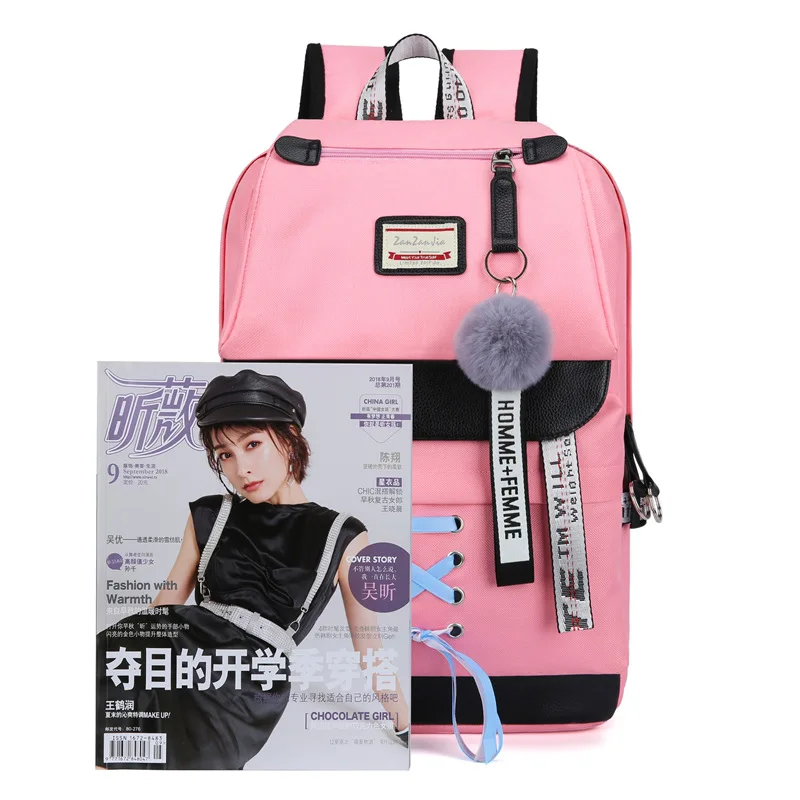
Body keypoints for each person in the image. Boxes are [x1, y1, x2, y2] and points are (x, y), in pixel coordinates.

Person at [97, 369, 409, 769]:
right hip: (168, 650)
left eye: (253, 444)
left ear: (290, 438)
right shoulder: (211, 514)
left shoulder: (343, 535)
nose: (240, 468)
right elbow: (161, 611)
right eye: (225, 454)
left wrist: (406, 725)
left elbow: (370, 651)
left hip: (242, 681)